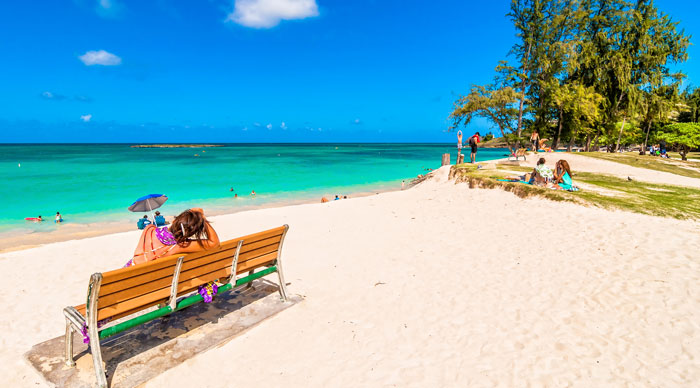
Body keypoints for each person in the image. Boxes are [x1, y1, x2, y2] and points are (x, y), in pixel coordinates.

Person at [127, 208, 220, 267]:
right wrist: (202, 218)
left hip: (129, 271)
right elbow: (214, 243)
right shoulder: (180, 246)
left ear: (174, 220)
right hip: (150, 282)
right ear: (190, 234)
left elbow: (160, 232)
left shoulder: (149, 229)